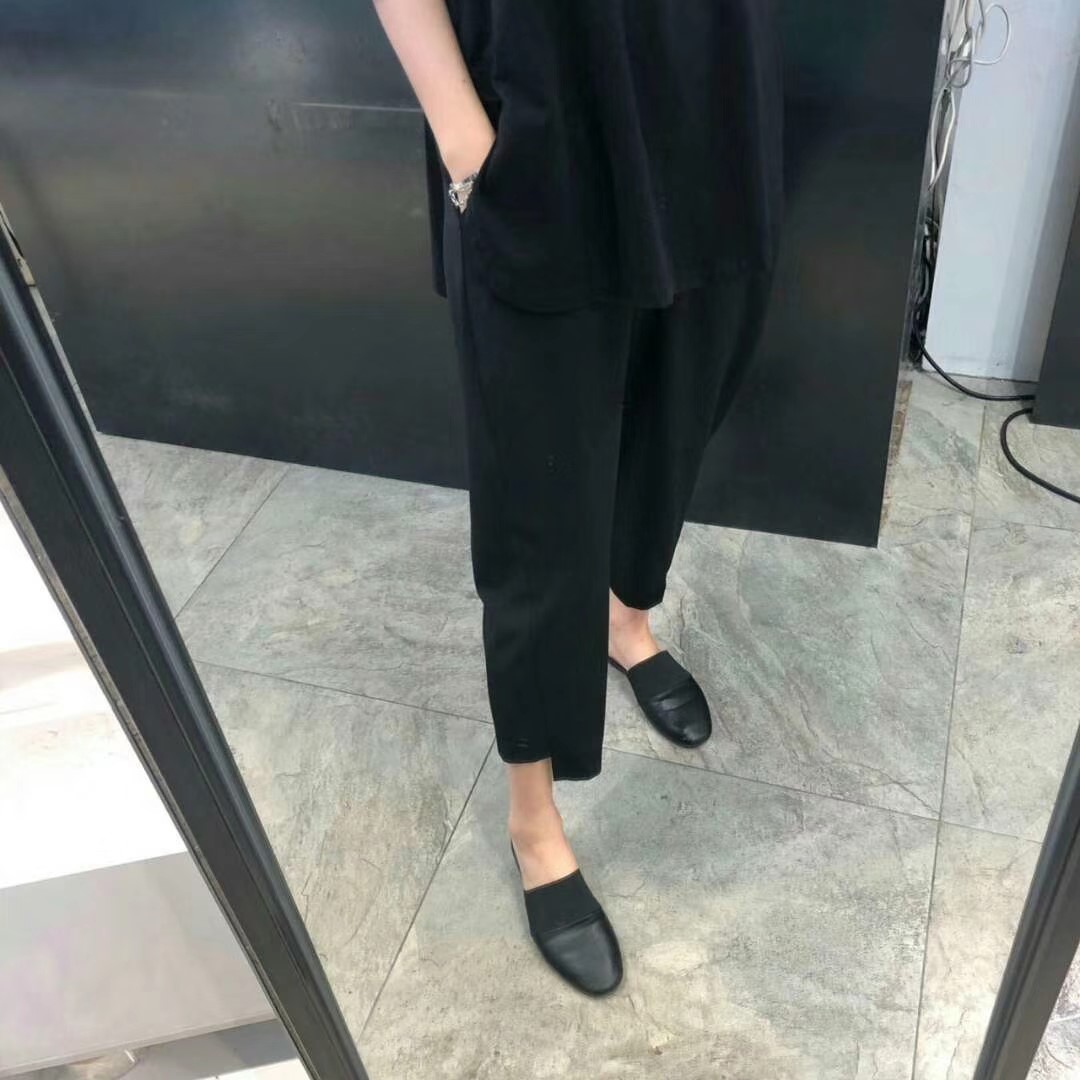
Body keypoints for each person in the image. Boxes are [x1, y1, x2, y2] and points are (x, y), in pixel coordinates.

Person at [373, 0, 783, 996]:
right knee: (538, 493)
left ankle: (624, 619)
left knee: (684, 400)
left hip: (712, 89)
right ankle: (533, 816)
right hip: (539, 110)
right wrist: (467, 144)